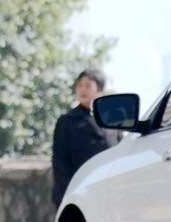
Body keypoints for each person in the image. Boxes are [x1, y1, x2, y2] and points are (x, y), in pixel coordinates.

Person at [51, 68, 121, 208]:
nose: (83, 90)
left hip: (111, 192)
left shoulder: (113, 120)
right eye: (80, 85)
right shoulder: (67, 121)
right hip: (81, 192)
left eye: (88, 85)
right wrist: (69, 196)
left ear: (99, 89)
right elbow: (60, 163)